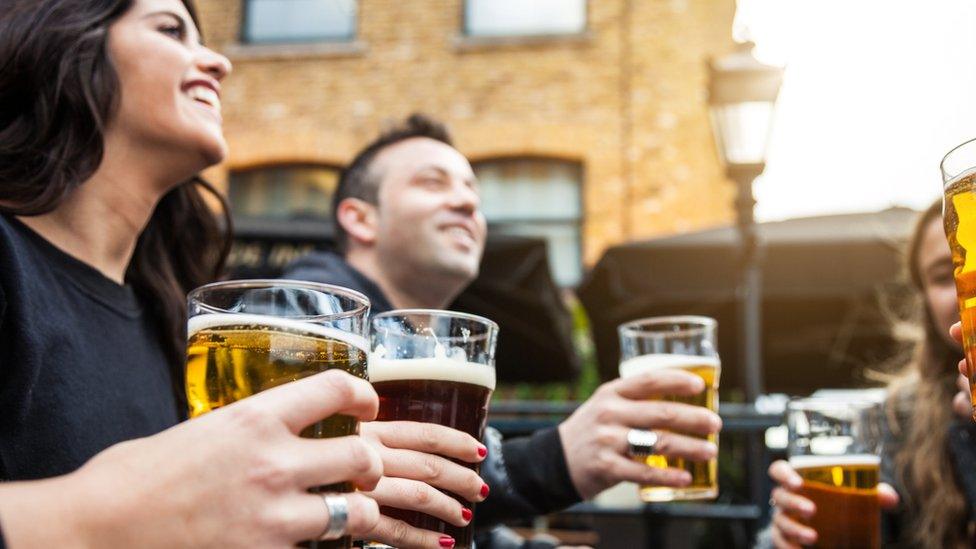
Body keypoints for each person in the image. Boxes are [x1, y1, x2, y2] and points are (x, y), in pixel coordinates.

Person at [0, 3, 487, 548]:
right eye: (169, 29)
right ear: (60, 42)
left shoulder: (167, 313)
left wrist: (314, 489)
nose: (218, 63)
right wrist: (114, 513)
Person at [282, 113, 723, 544]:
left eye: (473, 191)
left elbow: (433, 510)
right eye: (433, 183)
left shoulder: (425, 345)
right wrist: (556, 457)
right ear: (361, 219)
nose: (468, 203)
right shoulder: (313, 314)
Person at [761, 200, 976, 548]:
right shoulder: (895, 420)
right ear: (924, 303)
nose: (966, 283)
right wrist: (789, 536)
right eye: (942, 275)